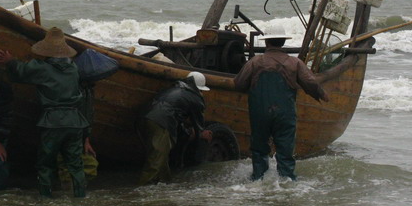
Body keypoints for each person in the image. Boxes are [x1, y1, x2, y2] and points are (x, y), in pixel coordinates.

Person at [0, 27, 89, 198]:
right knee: (75, 164)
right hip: (75, 122)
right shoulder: (73, 68)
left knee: (45, 164)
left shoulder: (42, 68)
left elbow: (21, 72)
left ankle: (46, 199)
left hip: (53, 122)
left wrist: (10, 61)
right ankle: (80, 198)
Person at [233, 33, 329, 181]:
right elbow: (310, 83)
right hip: (285, 114)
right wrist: (322, 95)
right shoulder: (294, 63)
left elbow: (239, 84)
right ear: (283, 42)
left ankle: (258, 179)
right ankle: (287, 181)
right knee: (285, 150)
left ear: (267, 43)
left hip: (260, 113)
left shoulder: (255, 62)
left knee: (259, 149)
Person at [138, 71, 213, 185]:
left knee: (161, 156)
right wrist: (201, 134)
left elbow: (176, 114)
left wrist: (187, 132)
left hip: (143, 116)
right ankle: (143, 188)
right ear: (199, 89)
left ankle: (166, 183)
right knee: (156, 159)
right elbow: (198, 125)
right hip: (160, 122)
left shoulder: (173, 88)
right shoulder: (195, 98)